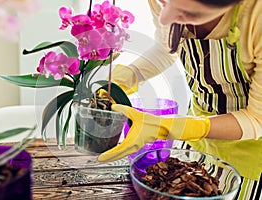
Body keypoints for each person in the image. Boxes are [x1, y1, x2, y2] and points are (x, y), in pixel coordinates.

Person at [97, 0, 262, 199]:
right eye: (163, 1)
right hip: (196, 146)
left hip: (249, 157)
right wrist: (128, 76)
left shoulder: (257, 16)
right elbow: (166, 47)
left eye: (188, 13)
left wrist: (169, 127)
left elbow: (256, 119)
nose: (165, 16)